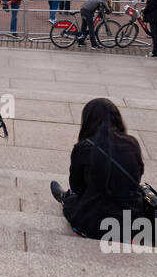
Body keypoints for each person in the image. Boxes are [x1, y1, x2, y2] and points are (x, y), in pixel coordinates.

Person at [48, 98, 150, 243]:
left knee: (75, 198)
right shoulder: (132, 144)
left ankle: (65, 198)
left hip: (95, 224)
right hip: (131, 223)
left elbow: (78, 187)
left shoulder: (84, 148)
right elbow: (136, 178)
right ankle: (68, 198)